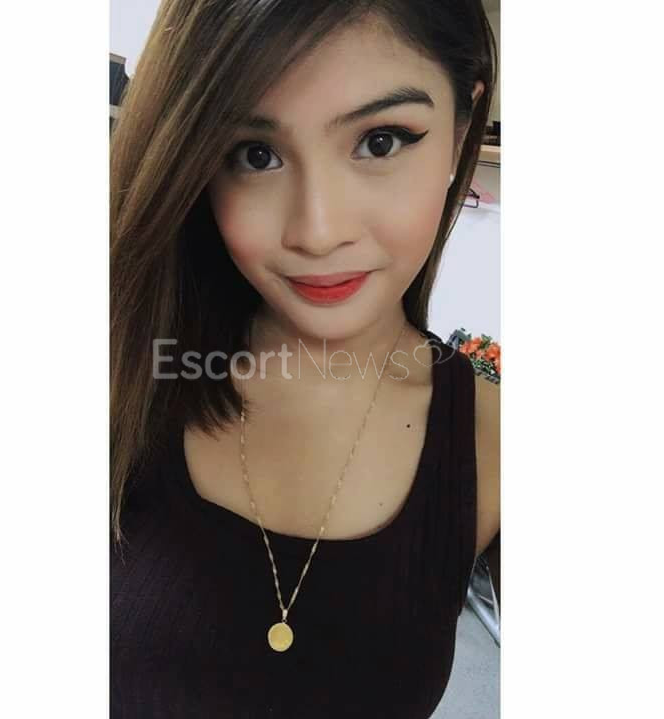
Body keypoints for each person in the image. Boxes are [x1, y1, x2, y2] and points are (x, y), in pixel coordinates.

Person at [110, 1, 500, 717]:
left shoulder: (495, 440)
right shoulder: (122, 369)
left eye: (380, 141)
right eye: (254, 155)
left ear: (458, 134)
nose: (317, 232)